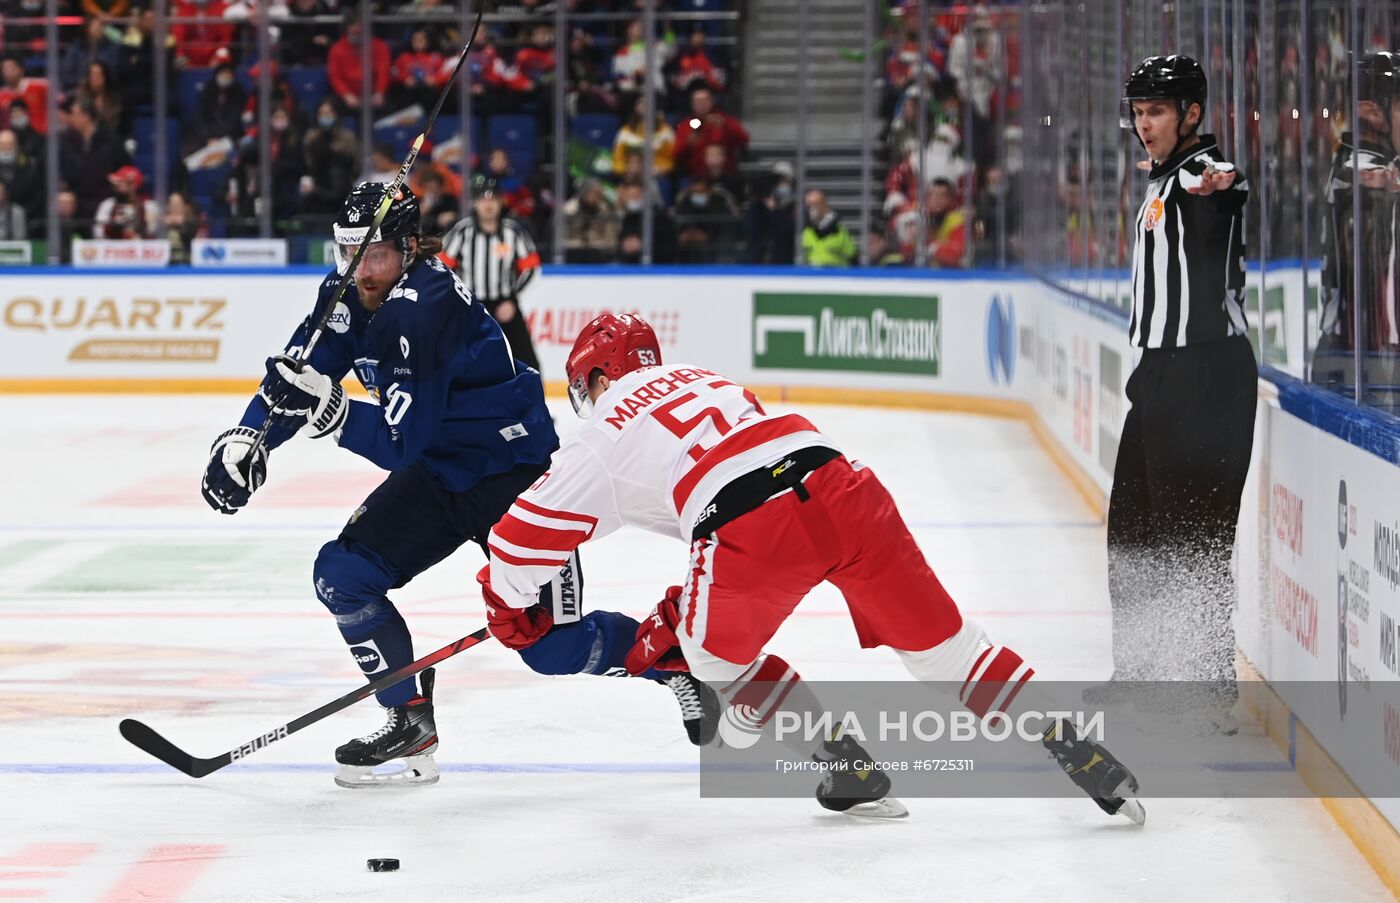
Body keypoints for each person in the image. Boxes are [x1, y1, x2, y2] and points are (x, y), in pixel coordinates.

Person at [476, 313, 1146, 823]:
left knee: (713, 663)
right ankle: (1079, 748)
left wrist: (508, 607)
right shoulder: (705, 380)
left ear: (596, 377)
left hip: (748, 524)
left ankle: (842, 761)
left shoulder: (603, 427)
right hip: (840, 483)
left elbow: (514, 542)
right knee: (951, 654)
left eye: (585, 389)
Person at [200, 183, 719, 789]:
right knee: (342, 576)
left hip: (515, 480)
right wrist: (249, 437)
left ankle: (672, 660)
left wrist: (333, 413)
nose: (360, 272)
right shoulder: (345, 291)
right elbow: (300, 375)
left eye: (375, 257)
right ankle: (409, 722)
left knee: (550, 647)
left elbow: (397, 441)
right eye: (348, 254)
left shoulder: (425, 307)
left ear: (410, 248)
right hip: (440, 469)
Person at [1102, 55, 1256, 712]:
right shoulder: (1166, 176)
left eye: (1157, 111)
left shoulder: (1202, 175)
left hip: (1206, 375)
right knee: (1132, 531)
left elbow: (1223, 183)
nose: (1144, 124)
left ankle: (1206, 693)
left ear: (1192, 114)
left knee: (1193, 541)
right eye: (1138, 112)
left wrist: (1217, 179)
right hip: (1159, 376)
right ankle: (1140, 675)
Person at [1313, 50, 1400, 396]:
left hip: (1352, 354)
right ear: (1370, 111)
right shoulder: (1361, 168)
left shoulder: (1351, 161)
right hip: (1360, 360)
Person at [440, 176, 543, 373]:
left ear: (500, 202)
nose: (488, 204)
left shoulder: (513, 232)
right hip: (470, 307)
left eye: (493, 199)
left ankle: (531, 403)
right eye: (483, 199)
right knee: (456, 360)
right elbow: (442, 268)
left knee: (528, 363)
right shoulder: (462, 232)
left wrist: (512, 300)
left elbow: (531, 268)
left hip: (505, 305)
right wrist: (457, 300)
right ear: (475, 203)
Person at [93, 165, 159, 239]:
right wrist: (113, 226)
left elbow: (153, 232)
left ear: (132, 186)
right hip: (113, 247)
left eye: (119, 184)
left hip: (141, 247)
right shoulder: (108, 204)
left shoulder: (149, 205)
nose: (114, 187)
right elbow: (98, 233)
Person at [801, 189, 855, 267]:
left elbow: (852, 257)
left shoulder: (841, 232)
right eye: (808, 206)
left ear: (824, 205)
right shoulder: (806, 232)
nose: (811, 209)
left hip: (836, 277)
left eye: (814, 204)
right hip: (812, 278)